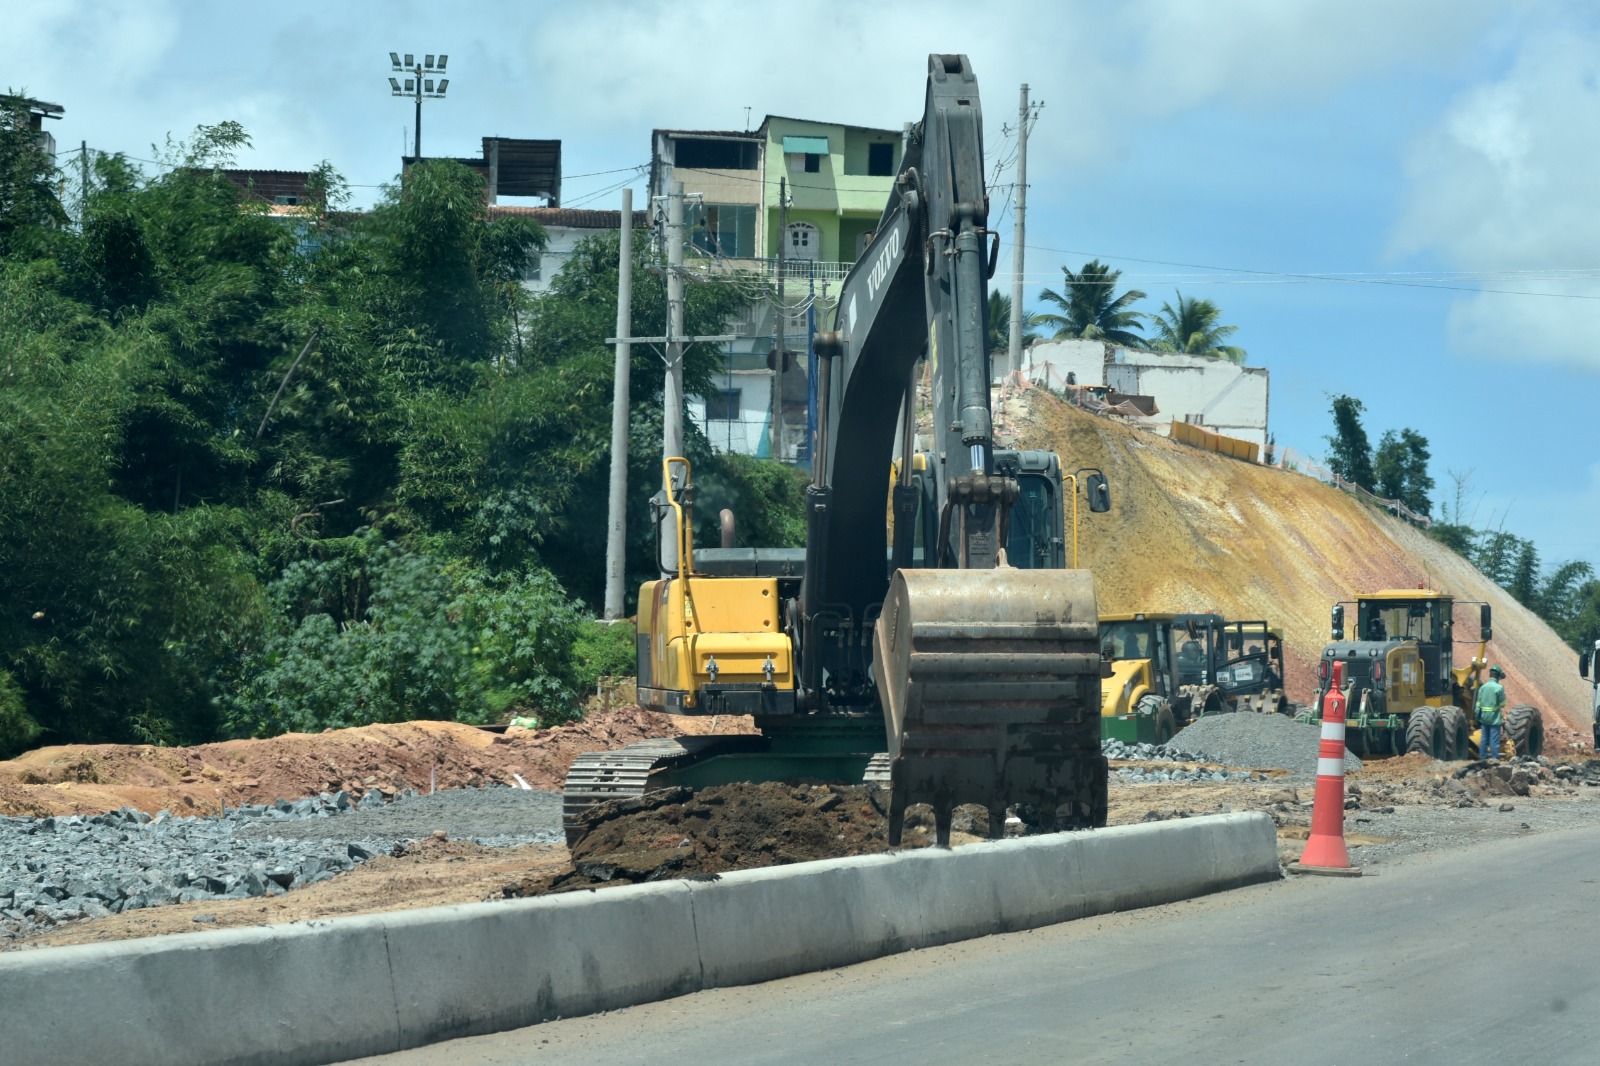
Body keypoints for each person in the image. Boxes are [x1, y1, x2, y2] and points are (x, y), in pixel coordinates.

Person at [1476, 665, 1508, 760]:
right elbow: (1502, 704)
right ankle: (1494, 759)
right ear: (1498, 676)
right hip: (1494, 718)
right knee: (1494, 740)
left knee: (1484, 739)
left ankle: (1482, 759)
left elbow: (1478, 705)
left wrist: (1477, 717)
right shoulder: (1499, 688)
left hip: (1484, 718)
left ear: (1490, 675)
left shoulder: (1483, 688)